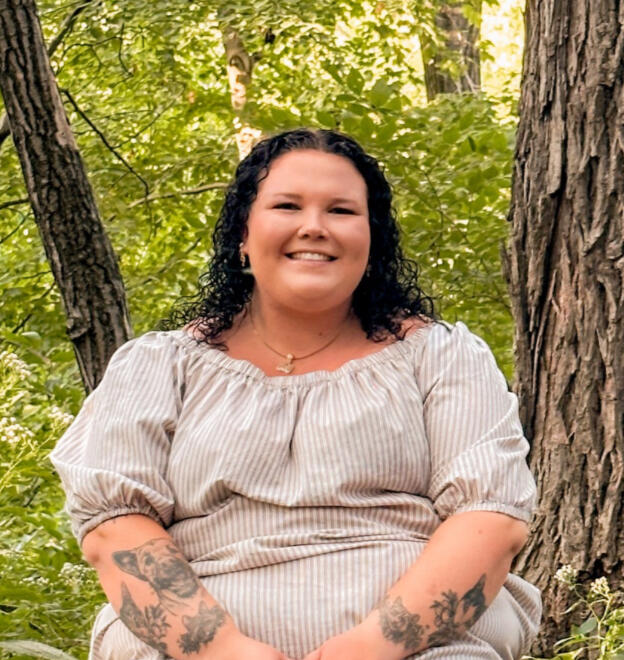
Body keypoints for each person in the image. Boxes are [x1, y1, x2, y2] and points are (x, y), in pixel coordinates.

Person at [50, 128, 541, 660]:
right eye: (287, 206)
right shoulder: (157, 366)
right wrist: (225, 650)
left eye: (341, 211)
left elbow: (488, 519)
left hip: (422, 646)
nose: (314, 227)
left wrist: (367, 649)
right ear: (243, 232)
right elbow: (115, 527)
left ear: (372, 239)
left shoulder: (443, 356)